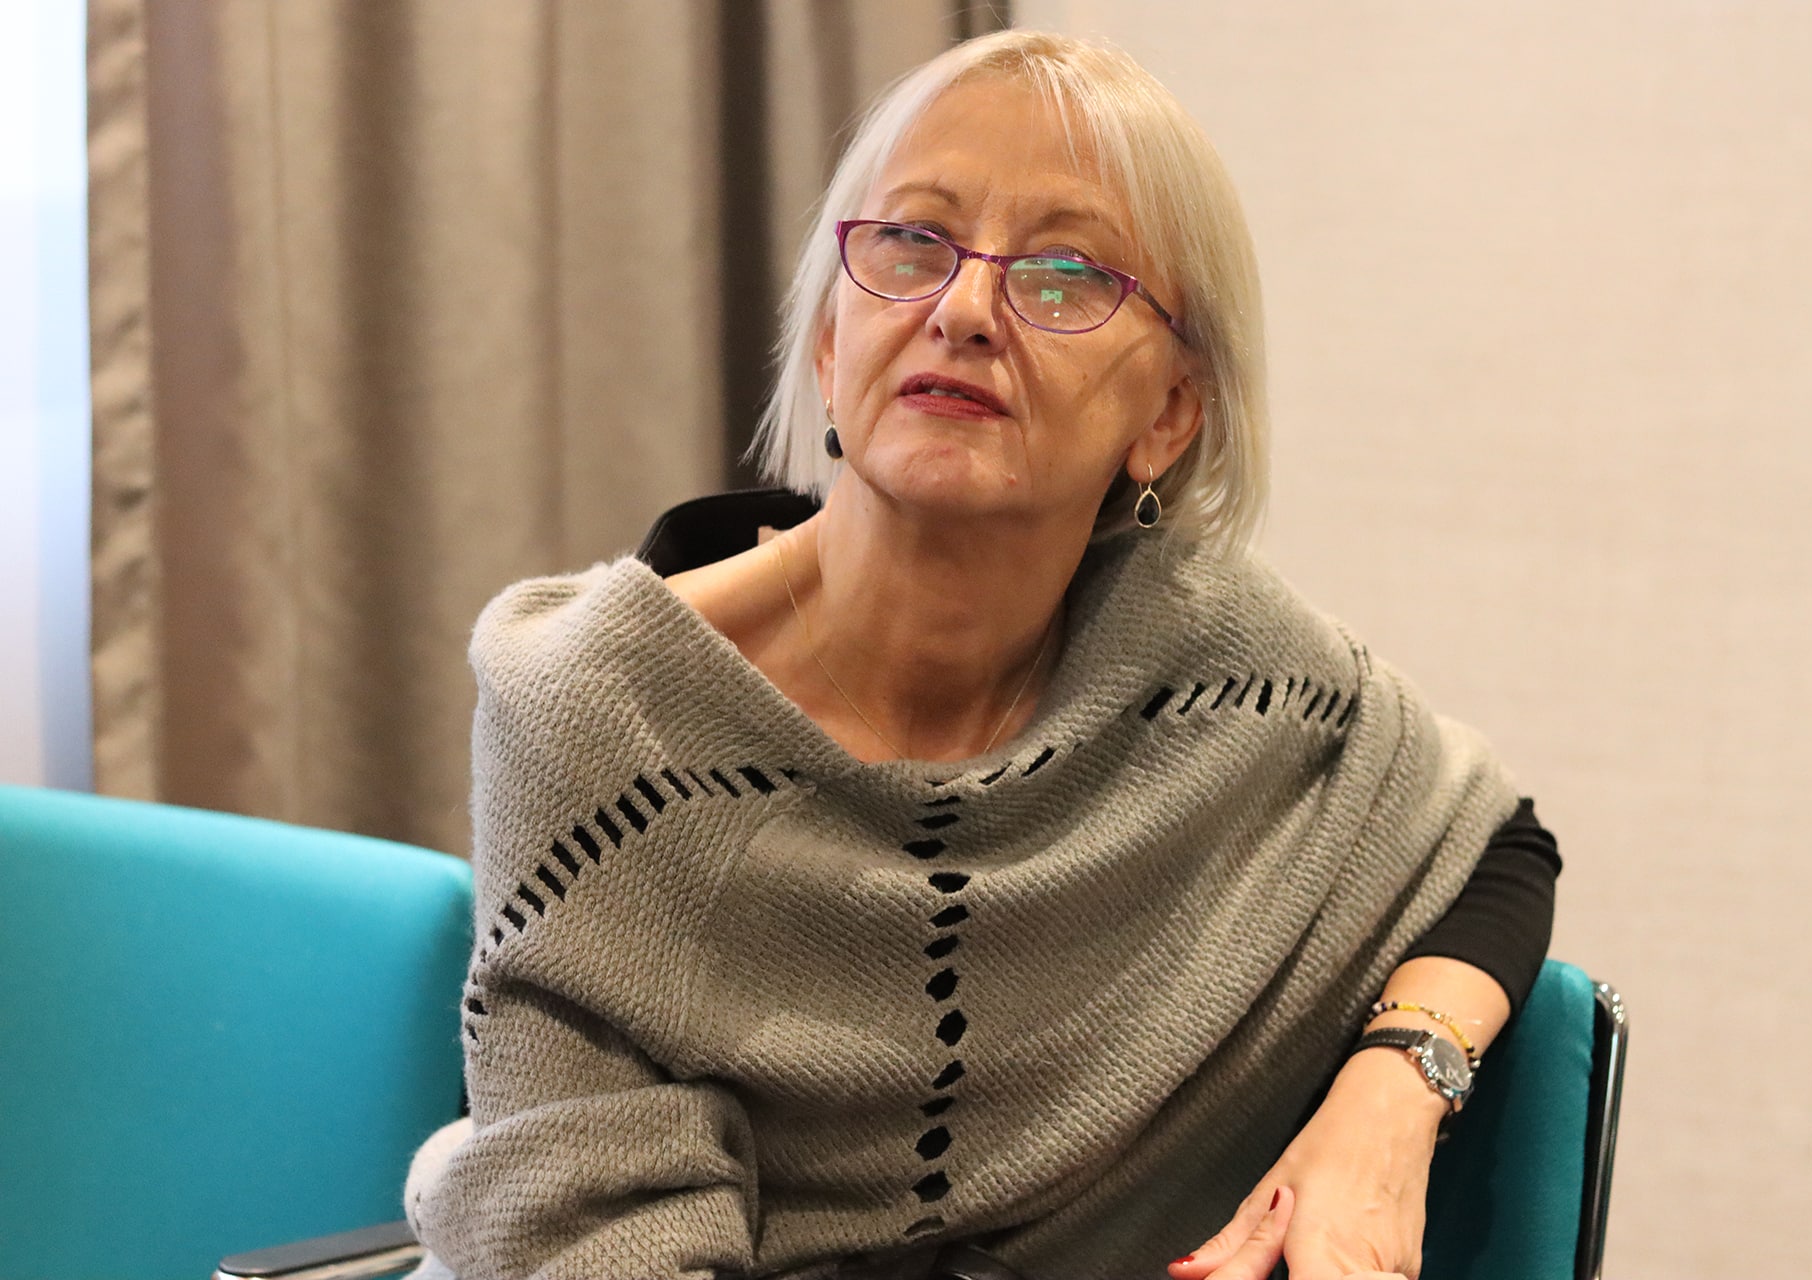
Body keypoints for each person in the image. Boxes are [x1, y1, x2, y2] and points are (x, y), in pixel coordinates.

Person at [410, 28, 1559, 1280]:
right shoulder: (604, 712)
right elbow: (597, 1249)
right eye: (913, 243)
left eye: (1065, 275)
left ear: (1170, 413)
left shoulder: (1213, 669)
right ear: (832, 341)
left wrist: (1394, 1087)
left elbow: (1492, 845)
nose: (960, 312)